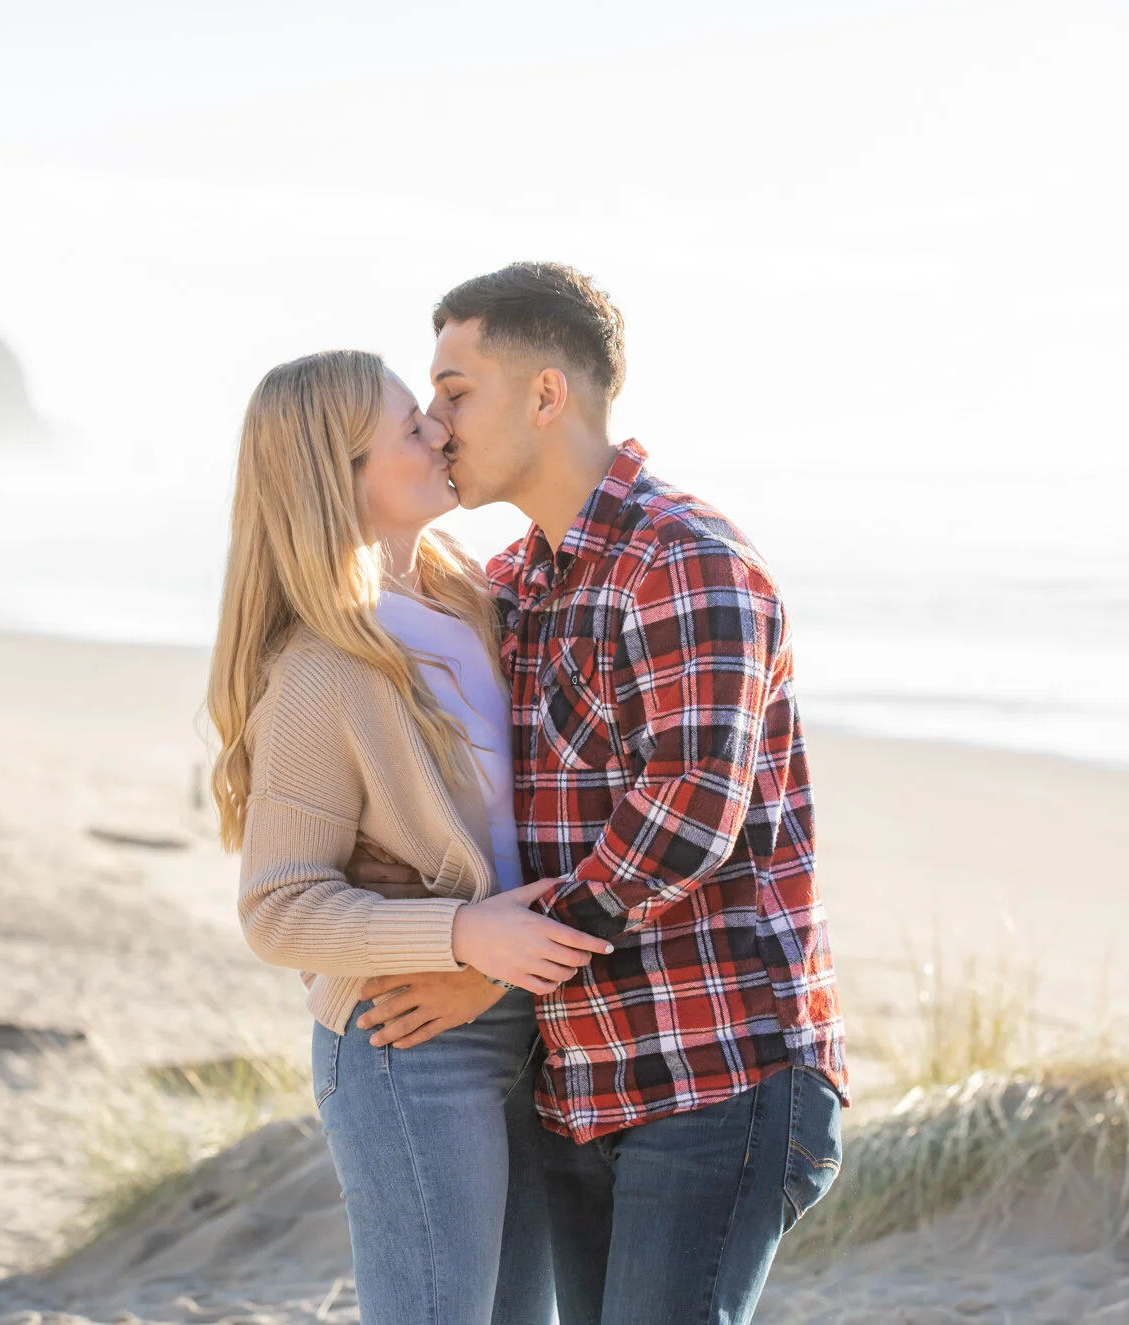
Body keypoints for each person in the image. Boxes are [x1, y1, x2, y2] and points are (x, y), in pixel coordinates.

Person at [354, 263, 850, 1325]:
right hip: (583, 1077)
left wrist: (492, 972)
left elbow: (684, 816)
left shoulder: (683, 561)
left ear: (545, 394)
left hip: (715, 1069)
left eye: (454, 391)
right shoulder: (518, 582)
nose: (436, 425)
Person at [206, 349, 608, 1325]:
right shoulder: (319, 669)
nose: (437, 428)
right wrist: (461, 935)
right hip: (406, 1044)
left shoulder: (474, 604)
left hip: (521, 1023)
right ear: (339, 474)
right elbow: (276, 907)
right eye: (407, 426)